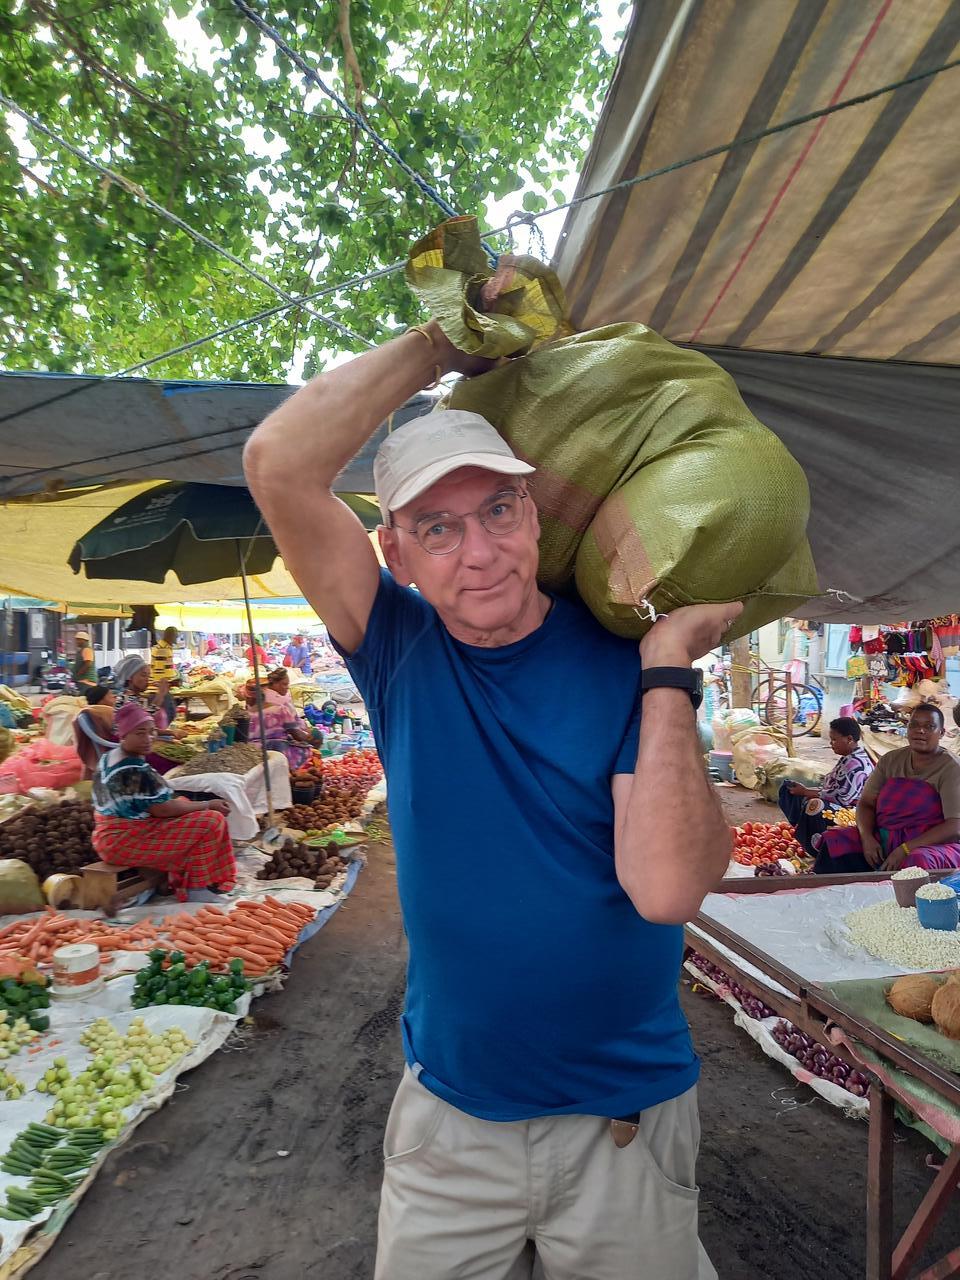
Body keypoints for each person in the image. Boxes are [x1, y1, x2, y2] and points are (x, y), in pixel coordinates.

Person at [245, 316, 739, 1280]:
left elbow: (669, 889)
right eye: (437, 528)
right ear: (396, 554)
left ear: (535, 518)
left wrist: (667, 668)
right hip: (452, 1124)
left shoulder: (626, 665)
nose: (477, 552)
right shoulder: (395, 645)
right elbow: (278, 464)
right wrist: (442, 344)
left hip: (622, 1121)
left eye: (498, 512)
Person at [91, 702, 235, 902]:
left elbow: (157, 806)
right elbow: (163, 810)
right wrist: (208, 805)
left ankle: (177, 877)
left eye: (152, 732)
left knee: (185, 803)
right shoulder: (134, 770)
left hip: (105, 838)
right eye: (140, 733)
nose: (148, 738)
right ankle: (197, 887)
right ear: (123, 735)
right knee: (212, 821)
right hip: (124, 842)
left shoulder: (108, 757)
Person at [815, 705, 960, 873]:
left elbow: (955, 826)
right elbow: (866, 803)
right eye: (914, 725)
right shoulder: (890, 760)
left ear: (941, 733)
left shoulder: (951, 768)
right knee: (835, 840)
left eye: (929, 726)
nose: (920, 731)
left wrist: (905, 849)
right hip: (886, 838)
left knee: (917, 860)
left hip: (930, 844)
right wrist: (867, 838)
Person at [778, 717, 874, 855]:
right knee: (789, 789)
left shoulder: (856, 764)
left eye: (834, 739)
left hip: (855, 813)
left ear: (849, 739)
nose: (831, 743)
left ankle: (818, 849)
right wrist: (805, 791)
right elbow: (830, 789)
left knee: (815, 805)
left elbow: (842, 799)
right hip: (838, 804)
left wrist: (806, 792)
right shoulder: (848, 758)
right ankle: (804, 831)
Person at [247, 669, 314, 770]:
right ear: (272, 685)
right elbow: (297, 734)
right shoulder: (280, 709)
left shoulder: (247, 713)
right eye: (284, 684)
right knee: (309, 751)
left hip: (253, 753)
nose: (287, 687)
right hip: (278, 752)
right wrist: (310, 739)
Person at [74, 684, 117, 780]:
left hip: (102, 749)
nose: (115, 697)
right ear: (101, 700)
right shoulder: (105, 712)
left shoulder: (90, 710)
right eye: (110, 696)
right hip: (112, 748)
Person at [150, 626, 180, 723]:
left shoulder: (165, 647)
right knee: (165, 718)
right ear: (169, 636)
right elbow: (159, 673)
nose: (177, 638)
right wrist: (163, 689)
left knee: (169, 716)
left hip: (163, 689)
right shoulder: (162, 649)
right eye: (175, 635)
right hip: (159, 691)